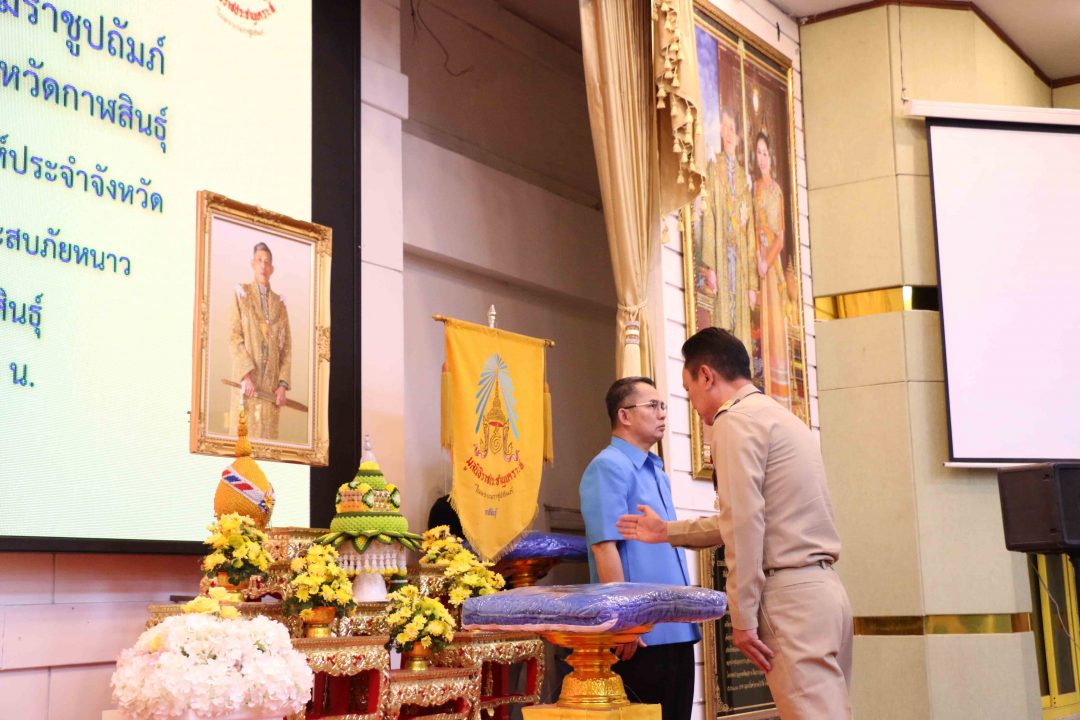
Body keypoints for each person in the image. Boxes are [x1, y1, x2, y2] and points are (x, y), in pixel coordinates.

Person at [616, 329, 852, 720]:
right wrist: (666, 532)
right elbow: (751, 517)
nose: (692, 406)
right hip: (825, 593)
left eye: (688, 391)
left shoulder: (734, 420)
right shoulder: (780, 417)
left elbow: (744, 524)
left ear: (706, 375)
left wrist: (741, 619)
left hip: (790, 597)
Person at [579, 377, 700, 720]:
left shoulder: (656, 470)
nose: (662, 413)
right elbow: (604, 547)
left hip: (676, 628)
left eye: (663, 406)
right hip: (639, 636)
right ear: (625, 415)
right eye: (653, 406)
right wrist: (624, 622)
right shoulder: (607, 466)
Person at [698, 107, 757, 347]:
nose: (729, 134)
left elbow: (750, 233)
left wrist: (752, 284)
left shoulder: (744, 179)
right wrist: (711, 266)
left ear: (739, 137)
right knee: (723, 321)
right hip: (721, 255)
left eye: (733, 129)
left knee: (739, 324)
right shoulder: (714, 168)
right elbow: (709, 215)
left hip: (740, 261)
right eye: (726, 128)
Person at [229, 241, 292, 440]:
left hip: (270, 392)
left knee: (267, 446)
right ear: (252, 264)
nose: (263, 265)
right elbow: (234, 336)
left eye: (267, 262)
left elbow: (286, 348)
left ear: (272, 268)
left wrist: (282, 385)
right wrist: (246, 375)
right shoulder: (242, 294)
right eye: (259, 260)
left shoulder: (280, 304)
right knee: (243, 445)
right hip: (248, 387)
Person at [751, 130, 791, 408]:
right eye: (758, 153)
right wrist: (756, 254)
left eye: (765, 153)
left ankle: (778, 390)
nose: (762, 158)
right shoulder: (753, 187)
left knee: (774, 320)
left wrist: (766, 260)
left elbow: (781, 236)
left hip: (771, 262)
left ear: (770, 157)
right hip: (757, 258)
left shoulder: (775, 190)